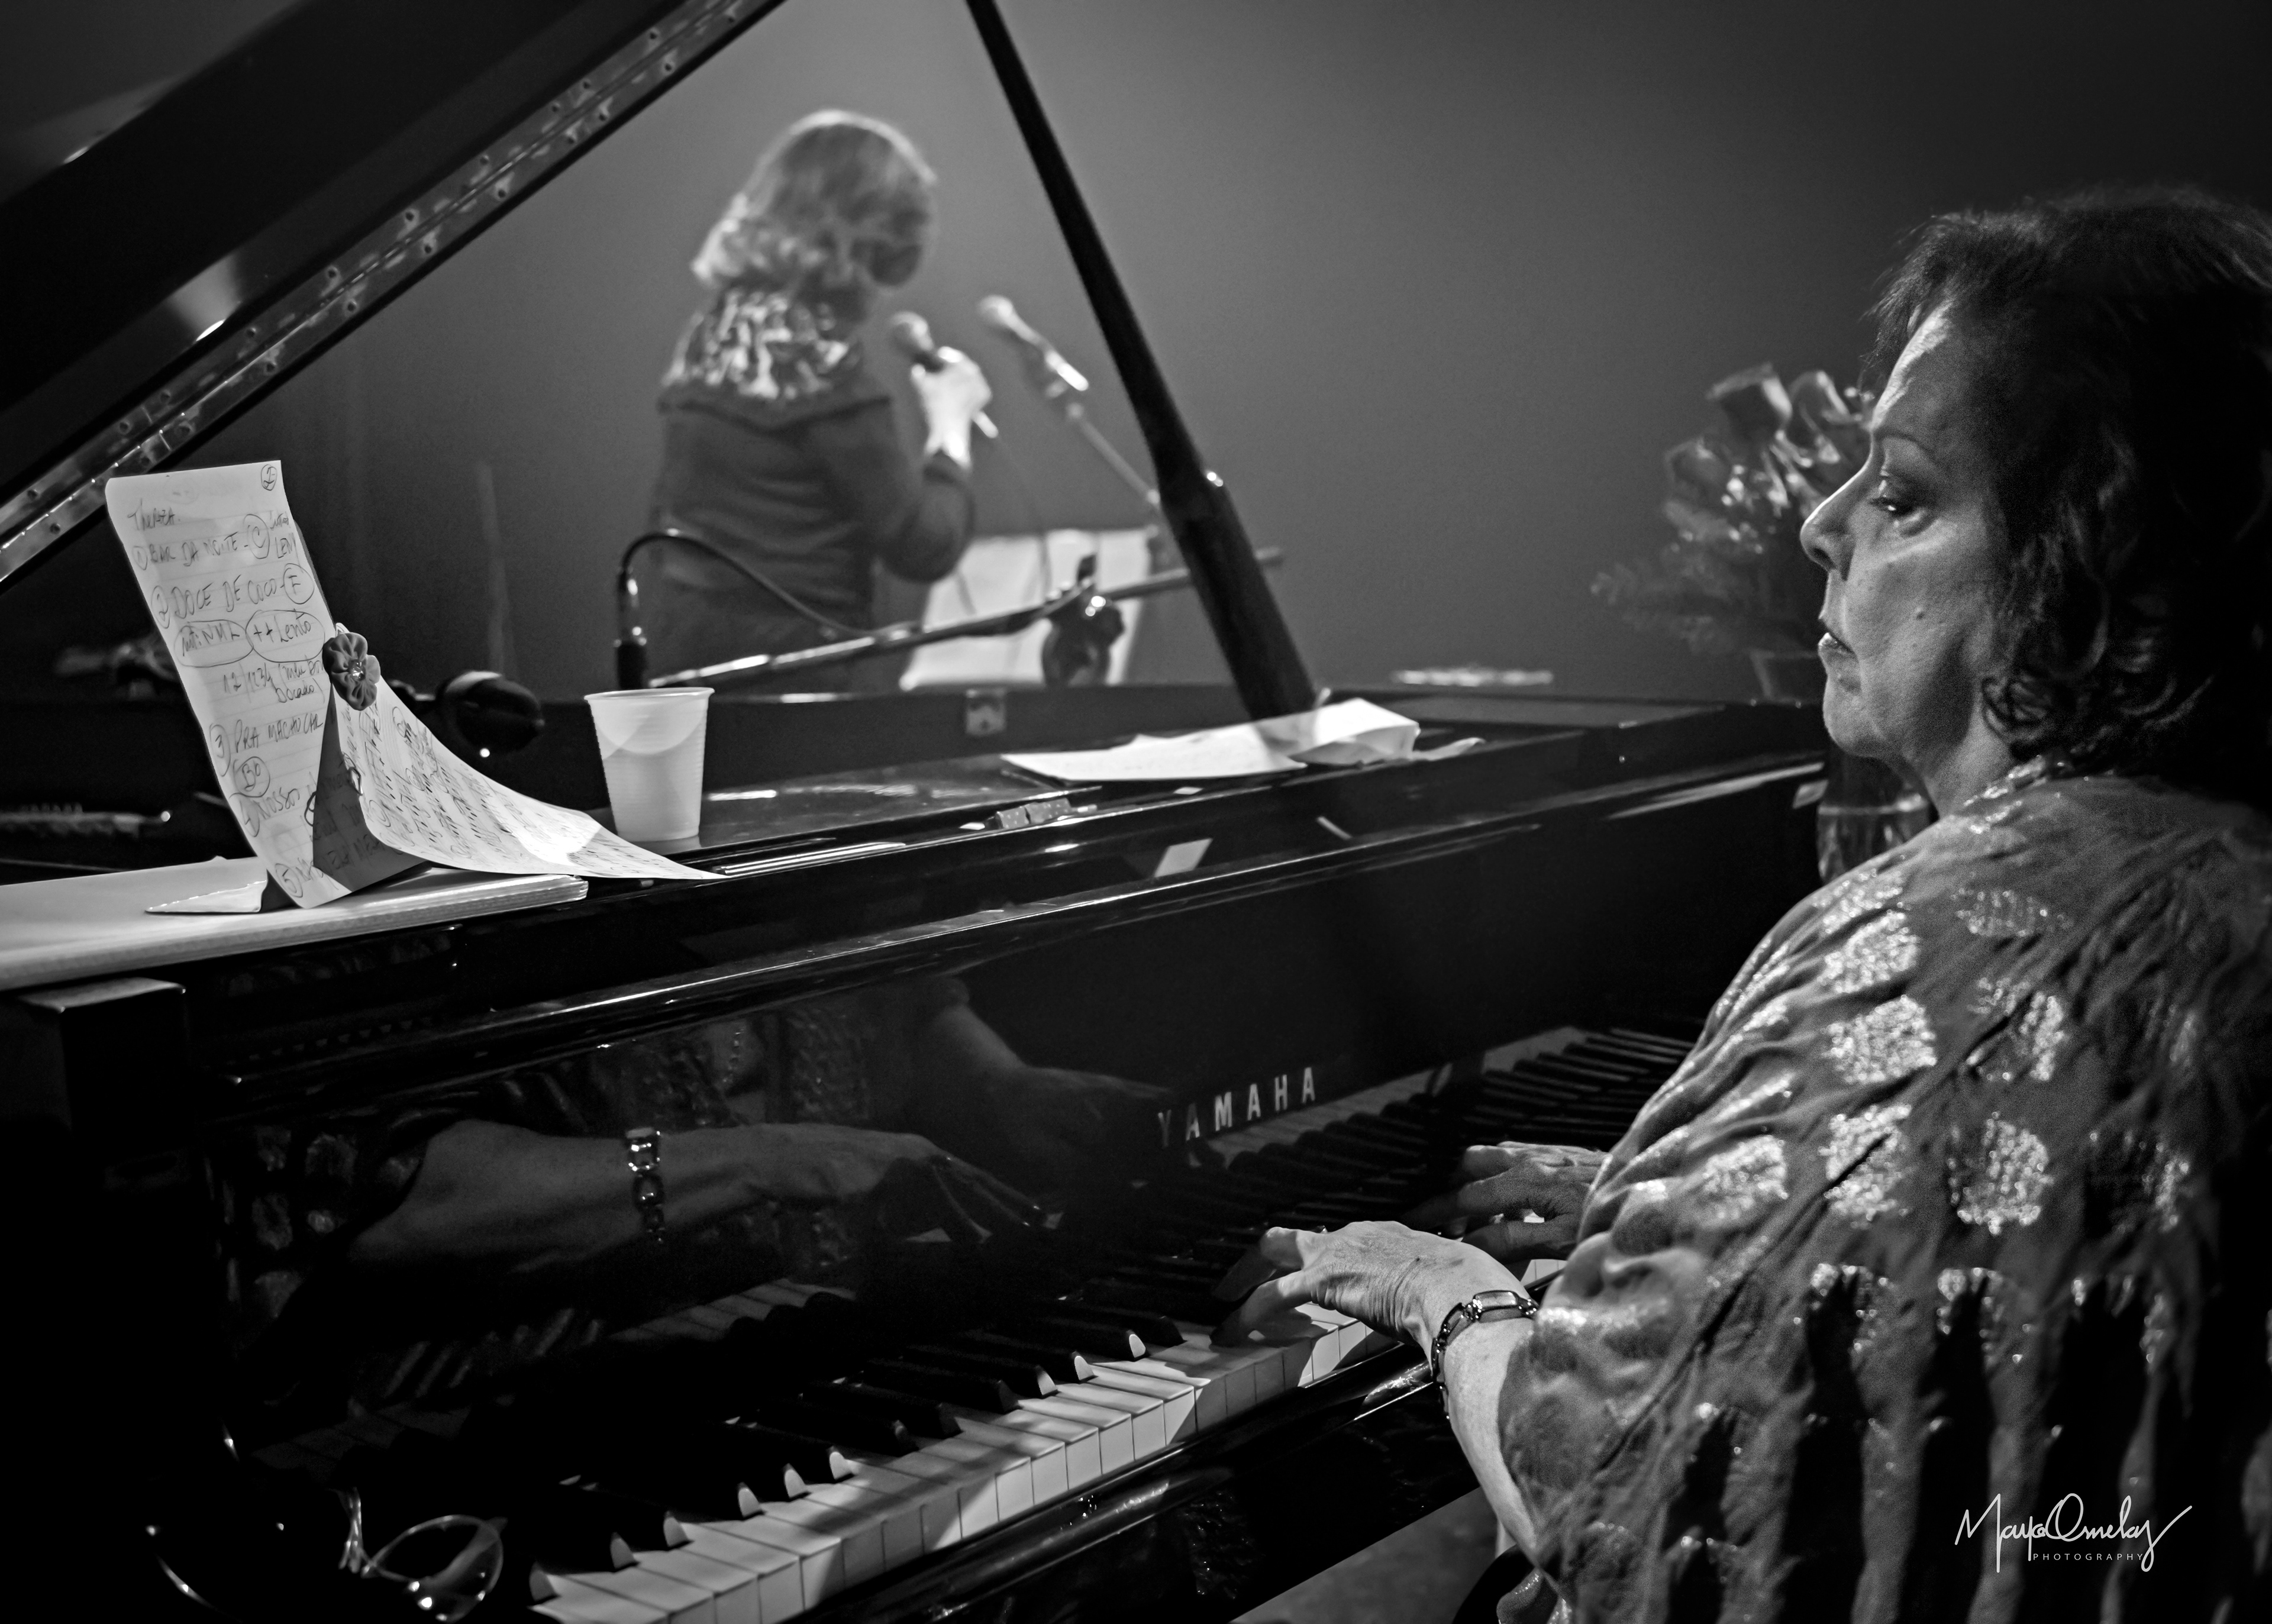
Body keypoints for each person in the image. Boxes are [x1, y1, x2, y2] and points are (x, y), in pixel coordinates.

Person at [1219, 189, 2272, 1620]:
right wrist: (1729, 1214)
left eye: (1902, 493)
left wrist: (1435, 1286)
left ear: (2093, 566)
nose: (1823, 523)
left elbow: (1591, 1479)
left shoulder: (1947, 950)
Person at [640, 111, 992, 686]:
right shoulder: (818, 369)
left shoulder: (714, 328)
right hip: (789, 677)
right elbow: (923, 546)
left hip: (683, 658)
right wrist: (951, 426)